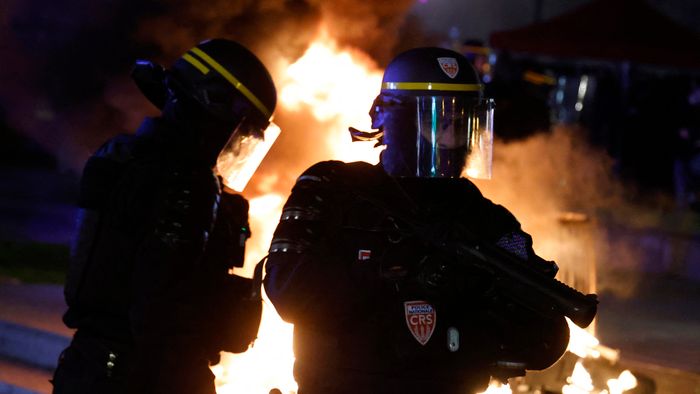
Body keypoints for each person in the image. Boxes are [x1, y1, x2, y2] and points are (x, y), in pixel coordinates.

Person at [264, 47, 576, 394]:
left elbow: (546, 337)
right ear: (394, 118)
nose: (449, 138)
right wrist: (396, 271)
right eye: (437, 122)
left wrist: (478, 296)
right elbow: (288, 292)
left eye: (460, 124)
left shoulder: (489, 221)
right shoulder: (333, 189)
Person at [51, 38, 278, 394]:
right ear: (214, 104)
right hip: (145, 374)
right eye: (243, 130)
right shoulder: (186, 181)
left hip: (91, 365)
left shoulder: (128, 157)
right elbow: (159, 305)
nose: (237, 144)